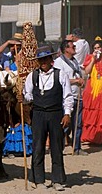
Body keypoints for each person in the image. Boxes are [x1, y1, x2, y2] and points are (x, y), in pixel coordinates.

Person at [24, 46, 74, 191]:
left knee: (56, 147)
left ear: (51, 59)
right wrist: (24, 97)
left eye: (45, 59)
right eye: (40, 59)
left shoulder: (61, 75)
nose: (43, 62)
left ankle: (57, 180)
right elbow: (28, 95)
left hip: (56, 114)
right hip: (38, 114)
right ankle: (38, 180)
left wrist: (67, 114)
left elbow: (68, 96)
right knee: (38, 147)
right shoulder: (32, 76)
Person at [53, 40, 86, 155]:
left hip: (78, 96)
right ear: (66, 49)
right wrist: (76, 80)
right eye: (72, 46)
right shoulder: (59, 62)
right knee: (64, 124)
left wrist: (80, 81)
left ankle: (77, 148)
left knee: (78, 124)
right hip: (66, 97)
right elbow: (59, 79)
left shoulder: (75, 62)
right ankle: (59, 148)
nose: (75, 47)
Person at [81, 38, 102, 144]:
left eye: (99, 48)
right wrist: (93, 59)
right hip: (91, 89)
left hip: (101, 90)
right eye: (95, 48)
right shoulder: (90, 57)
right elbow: (87, 71)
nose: (97, 50)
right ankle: (89, 136)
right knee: (90, 112)